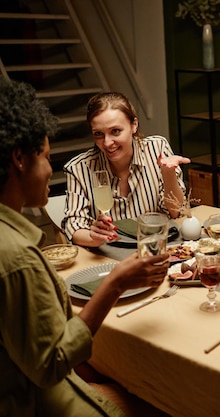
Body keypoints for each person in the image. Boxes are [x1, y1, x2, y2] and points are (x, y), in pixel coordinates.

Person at [0, 79, 171, 416]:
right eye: (46, 157)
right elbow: (51, 366)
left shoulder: (16, 238)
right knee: (165, 397)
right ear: (19, 159)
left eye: (116, 131)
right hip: (36, 401)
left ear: (134, 127)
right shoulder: (17, 256)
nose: (50, 169)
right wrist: (115, 283)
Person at [63, 92, 190, 247]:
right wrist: (93, 237)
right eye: (98, 134)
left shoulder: (157, 148)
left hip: (156, 247)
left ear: (134, 125)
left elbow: (175, 212)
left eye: (115, 131)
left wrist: (168, 173)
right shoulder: (79, 169)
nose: (108, 142)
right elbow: (74, 225)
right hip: (108, 253)